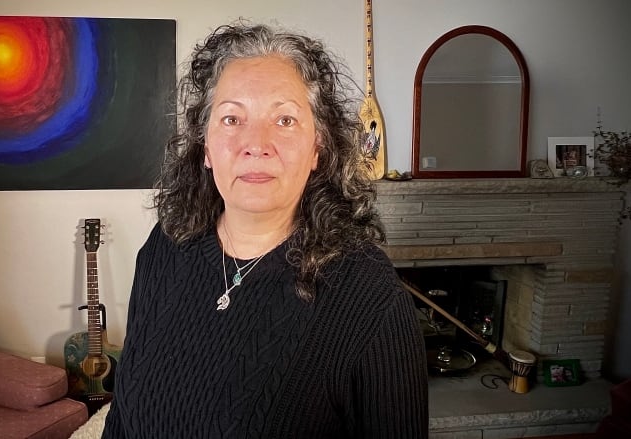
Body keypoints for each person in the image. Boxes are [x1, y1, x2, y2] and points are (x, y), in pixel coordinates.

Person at [102, 21, 428, 438]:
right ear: (205, 147)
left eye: (285, 120)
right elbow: (123, 416)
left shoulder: (367, 293)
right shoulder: (165, 247)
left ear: (318, 149)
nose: (256, 143)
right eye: (232, 118)